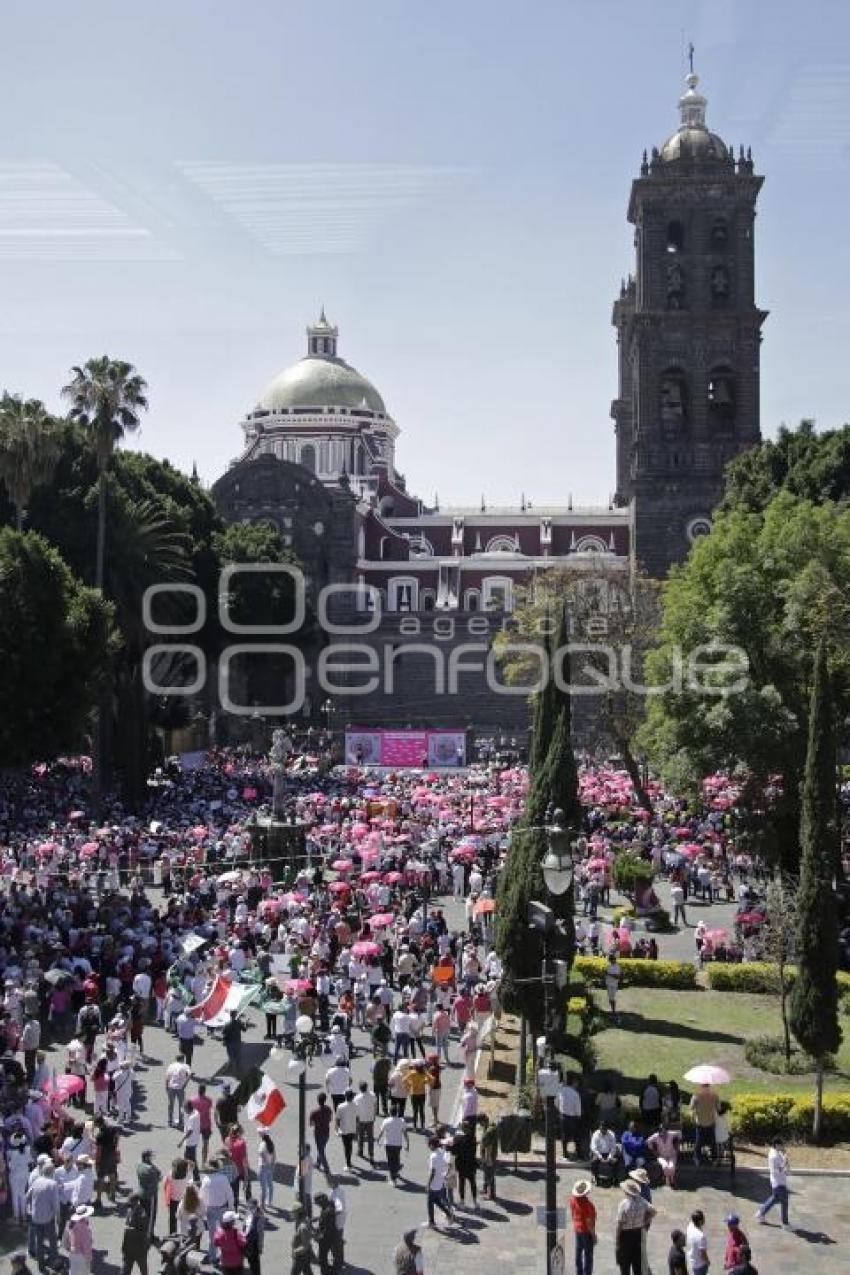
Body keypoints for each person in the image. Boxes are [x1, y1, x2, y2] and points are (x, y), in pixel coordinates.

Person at [614, 1179, 655, 1275]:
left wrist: (617, 1241)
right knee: (637, 1265)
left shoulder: (623, 1204)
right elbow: (654, 1211)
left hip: (625, 1236)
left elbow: (619, 1224)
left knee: (625, 1266)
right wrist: (645, 1221)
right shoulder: (642, 1201)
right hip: (637, 1234)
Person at [26, 1162, 61, 1271]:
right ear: (52, 1172)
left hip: (36, 1217)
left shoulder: (36, 1181)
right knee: (52, 1240)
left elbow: (27, 1196)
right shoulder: (53, 1184)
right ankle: (54, 1262)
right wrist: (58, 1216)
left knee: (39, 1242)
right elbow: (56, 1203)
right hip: (48, 1218)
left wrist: (31, 1208)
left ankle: (41, 1266)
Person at [754, 1138, 790, 1228]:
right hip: (779, 1183)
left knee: (775, 1198)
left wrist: (784, 1157)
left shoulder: (776, 1152)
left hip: (778, 1181)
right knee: (784, 1202)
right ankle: (785, 1223)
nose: (783, 1146)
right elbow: (775, 1170)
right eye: (781, 1145)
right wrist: (784, 1162)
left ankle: (760, 1213)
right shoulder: (774, 1156)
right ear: (776, 1145)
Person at [425, 1136, 455, 1228]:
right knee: (436, 1200)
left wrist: (428, 1184)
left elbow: (432, 1172)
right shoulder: (442, 1152)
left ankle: (431, 1222)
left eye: (428, 1144)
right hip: (440, 1181)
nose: (428, 1146)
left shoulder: (433, 1156)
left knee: (430, 1202)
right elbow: (449, 1165)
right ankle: (448, 1214)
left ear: (432, 1145)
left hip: (434, 1182)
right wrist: (445, 1174)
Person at [569, 1179, 596, 1275]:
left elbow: (573, 1213)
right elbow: (589, 1222)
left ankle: (579, 1272)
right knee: (588, 1255)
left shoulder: (572, 1199)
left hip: (577, 1229)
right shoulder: (587, 1205)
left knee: (578, 1252)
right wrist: (593, 1235)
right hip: (586, 1231)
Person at [377, 1109, 410, 1186]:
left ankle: (393, 1179)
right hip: (398, 1144)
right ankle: (396, 1172)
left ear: (389, 1112)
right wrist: (407, 1144)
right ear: (397, 1112)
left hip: (388, 1144)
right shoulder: (401, 1121)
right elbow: (405, 1133)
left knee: (390, 1160)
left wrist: (378, 1139)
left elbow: (382, 1132)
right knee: (397, 1158)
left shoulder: (386, 1121)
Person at [121, 1194, 151, 1275]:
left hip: (140, 1248)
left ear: (137, 1203)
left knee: (143, 1269)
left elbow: (144, 1232)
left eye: (131, 1204)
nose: (129, 1206)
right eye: (129, 1204)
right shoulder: (129, 1211)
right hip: (128, 1248)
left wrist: (130, 1229)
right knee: (124, 1271)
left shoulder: (143, 1215)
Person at [689, 1085, 719, 1164]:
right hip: (711, 1122)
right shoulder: (714, 1095)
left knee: (698, 1142)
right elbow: (718, 1108)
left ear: (701, 1085)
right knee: (713, 1142)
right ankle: (714, 1159)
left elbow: (691, 1107)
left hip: (700, 1122)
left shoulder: (696, 1096)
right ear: (709, 1085)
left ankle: (697, 1158)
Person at [60, 1204, 94, 1275]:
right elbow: (86, 1246)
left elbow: (64, 1241)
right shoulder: (85, 1228)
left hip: (72, 1254)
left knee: (73, 1272)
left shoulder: (70, 1224)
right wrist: (89, 1258)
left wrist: (69, 1248)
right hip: (82, 1256)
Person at [136, 1149, 161, 1239]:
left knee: (144, 1214)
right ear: (146, 1157)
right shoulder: (150, 1169)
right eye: (150, 1156)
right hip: (151, 1195)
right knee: (151, 1217)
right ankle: (149, 1236)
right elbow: (158, 1178)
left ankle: (143, 1232)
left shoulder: (139, 1164)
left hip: (142, 1192)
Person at [558, 1072, 584, 1159]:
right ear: (574, 1082)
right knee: (577, 1136)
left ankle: (565, 1152)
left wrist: (560, 1110)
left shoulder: (561, 1091)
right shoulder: (575, 1094)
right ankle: (579, 1153)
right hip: (573, 1117)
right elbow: (578, 1108)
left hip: (563, 1116)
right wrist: (579, 1116)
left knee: (564, 1135)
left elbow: (556, 1102)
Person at [647, 1124, 680, 1189]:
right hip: (661, 1156)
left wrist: (677, 1146)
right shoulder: (655, 1136)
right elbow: (648, 1141)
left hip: (672, 1155)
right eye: (662, 1131)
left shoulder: (671, 1134)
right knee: (665, 1166)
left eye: (665, 1131)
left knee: (671, 1167)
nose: (663, 1133)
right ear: (659, 1131)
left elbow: (679, 1133)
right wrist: (654, 1151)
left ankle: (672, 1179)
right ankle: (667, 1178)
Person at [214, 1209, 247, 1275]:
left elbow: (216, 1243)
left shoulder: (219, 1232)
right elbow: (244, 1243)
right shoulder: (237, 1232)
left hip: (225, 1262)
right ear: (232, 1222)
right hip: (237, 1262)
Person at [165, 1054, 192, 1128]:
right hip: (180, 1088)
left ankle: (170, 1121)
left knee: (170, 1104)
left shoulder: (171, 1065)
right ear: (183, 1059)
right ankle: (180, 1122)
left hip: (171, 1087)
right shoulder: (185, 1066)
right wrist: (185, 1084)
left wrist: (166, 1086)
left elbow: (167, 1076)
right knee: (181, 1105)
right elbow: (189, 1075)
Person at [354, 1081, 377, 1164]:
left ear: (360, 1088)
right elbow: (375, 1106)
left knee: (361, 1136)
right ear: (367, 1087)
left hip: (361, 1120)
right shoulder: (372, 1095)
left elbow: (355, 1109)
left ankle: (360, 1151)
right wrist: (374, 1115)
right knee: (370, 1137)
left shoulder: (357, 1097)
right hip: (370, 1119)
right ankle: (371, 1154)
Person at [310, 1093, 333, 1175]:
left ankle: (326, 1168)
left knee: (321, 1151)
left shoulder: (314, 1112)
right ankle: (318, 1163)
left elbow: (311, 1124)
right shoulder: (329, 1109)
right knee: (321, 1148)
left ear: (318, 1101)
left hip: (318, 1133)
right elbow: (330, 1119)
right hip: (326, 1132)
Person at [334, 1091, 358, 1171]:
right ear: (352, 1097)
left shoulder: (340, 1106)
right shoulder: (356, 1105)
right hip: (352, 1128)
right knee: (349, 1145)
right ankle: (349, 1161)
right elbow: (357, 1118)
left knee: (346, 1146)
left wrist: (336, 1129)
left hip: (344, 1129)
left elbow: (337, 1119)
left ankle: (348, 1164)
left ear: (345, 1097)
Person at [290, 1202, 315, 1275]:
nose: (291, 1214)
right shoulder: (304, 1220)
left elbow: (305, 1245)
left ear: (297, 1214)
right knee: (307, 1272)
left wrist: (295, 1252)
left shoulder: (302, 1227)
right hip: (305, 1255)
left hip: (301, 1256)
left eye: (293, 1212)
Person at [479, 1114, 499, 1202]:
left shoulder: (489, 1132)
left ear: (483, 1121)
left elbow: (489, 1147)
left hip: (489, 1157)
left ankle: (491, 1195)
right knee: (487, 1174)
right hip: (491, 1156)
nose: (480, 1125)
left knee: (490, 1176)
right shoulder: (490, 1126)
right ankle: (485, 1189)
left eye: (480, 1123)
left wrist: (488, 1160)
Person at [243, 1199, 265, 1275]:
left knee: (255, 1264)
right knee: (250, 1260)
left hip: (254, 1243)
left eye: (252, 1207)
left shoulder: (260, 1217)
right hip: (247, 1240)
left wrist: (260, 1248)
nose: (250, 1209)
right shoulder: (248, 1213)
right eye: (249, 1207)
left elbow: (261, 1234)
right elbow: (245, 1225)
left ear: (256, 1206)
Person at [685, 1210, 710, 1275]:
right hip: (700, 1265)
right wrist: (707, 1261)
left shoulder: (690, 1226)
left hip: (692, 1260)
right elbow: (703, 1254)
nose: (704, 1220)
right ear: (700, 1221)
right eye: (703, 1218)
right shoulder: (701, 1236)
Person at [257, 1133, 276, 1210]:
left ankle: (262, 1206)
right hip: (270, 1168)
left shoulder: (262, 1144)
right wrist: (271, 1165)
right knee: (270, 1185)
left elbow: (261, 1153)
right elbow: (274, 1157)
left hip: (263, 1167)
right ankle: (269, 1202)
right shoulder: (271, 1144)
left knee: (263, 1188)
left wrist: (265, 1161)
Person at [605, 954, 621, 1019]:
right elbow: (606, 974)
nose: (610, 961)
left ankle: (613, 1011)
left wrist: (609, 974)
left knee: (612, 998)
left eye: (611, 960)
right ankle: (612, 1010)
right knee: (610, 998)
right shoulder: (609, 966)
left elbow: (617, 977)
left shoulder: (617, 967)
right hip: (608, 984)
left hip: (613, 985)